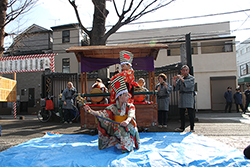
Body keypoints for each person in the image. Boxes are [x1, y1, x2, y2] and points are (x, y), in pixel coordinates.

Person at [83, 76, 140, 153]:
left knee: (125, 129)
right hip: (117, 129)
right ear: (119, 97)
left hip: (129, 127)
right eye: (126, 95)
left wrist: (127, 121)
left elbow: (131, 114)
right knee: (119, 130)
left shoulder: (130, 106)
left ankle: (127, 146)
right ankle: (121, 143)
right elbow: (102, 114)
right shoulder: (113, 107)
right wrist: (91, 111)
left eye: (128, 95)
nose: (128, 97)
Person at [173, 65, 195, 132]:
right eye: (183, 70)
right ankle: (182, 127)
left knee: (190, 113)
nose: (184, 71)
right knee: (181, 113)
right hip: (182, 96)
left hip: (189, 95)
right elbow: (176, 87)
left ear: (188, 71)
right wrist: (174, 81)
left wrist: (181, 79)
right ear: (181, 71)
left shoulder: (191, 78)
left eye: (186, 70)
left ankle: (192, 128)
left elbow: (188, 85)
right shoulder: (181, 79)